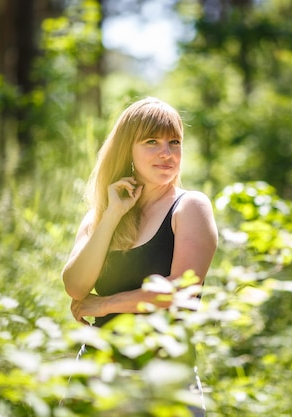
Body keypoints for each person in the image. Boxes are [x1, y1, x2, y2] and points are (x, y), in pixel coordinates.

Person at [62, 97, 218, 415]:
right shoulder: (101, 215)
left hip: (164, 376)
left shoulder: (190, 207)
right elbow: (76, 288)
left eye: (174, 142)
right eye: (152, 142)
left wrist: (103, 304)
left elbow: (179, 294)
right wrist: (112, 215)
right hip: (97, 372)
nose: (167, 153)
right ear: (127, 150)